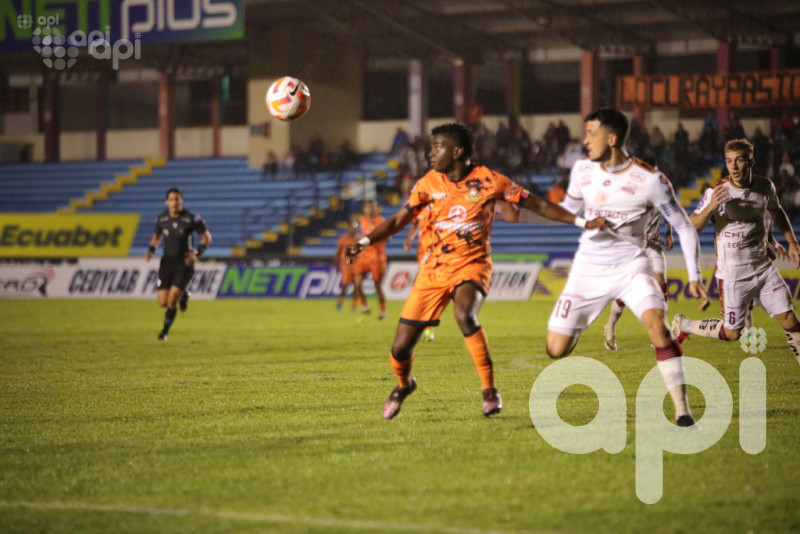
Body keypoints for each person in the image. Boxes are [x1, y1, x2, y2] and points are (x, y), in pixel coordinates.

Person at [346, 122, 603, 420]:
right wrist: (364, 241)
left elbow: (540, 206)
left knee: (464, 313)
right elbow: (398, 220)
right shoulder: (428, 183)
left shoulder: (491, 181)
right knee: (401, 348)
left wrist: (582, 222)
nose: (430, 153)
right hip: (432, 272)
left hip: (472, 264)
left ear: (456, 151)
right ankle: (404, 385)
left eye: (437, 147)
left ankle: (489, 390)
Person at [547, 108, 708, 428]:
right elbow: (567, 209)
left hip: (633, 266)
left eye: (591, 134)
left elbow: (684, 227)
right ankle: (580, 323)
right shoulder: (581, 170)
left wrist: (695, 276)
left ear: (612, 138)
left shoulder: (650, 180)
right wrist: (525, 208)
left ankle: (682, 410)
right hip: (588, 268)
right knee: (555, 349)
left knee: (658, 326)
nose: (584, 140)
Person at [671, 139, 800, 363]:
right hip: (733, 276)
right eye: (729, 161)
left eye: (739, 160)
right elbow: (691, 225)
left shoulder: (764, 187)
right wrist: (710, 208)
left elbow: (776, 211)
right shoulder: (717, 192)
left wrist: (791, 241)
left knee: (791, 321)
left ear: (750, 161)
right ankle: (685, 325)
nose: (734, 166)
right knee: (732, 333)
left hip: (763, 269)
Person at [145, 188, 212, 341]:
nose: (174, 202)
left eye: (177, 199)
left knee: (172, 300)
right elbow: (156, 237)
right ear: (167, 202)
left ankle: (164, 332)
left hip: (184, 263)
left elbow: (206, 237)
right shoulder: (162, 219)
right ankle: (184, 296)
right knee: (162, 302)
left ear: (182, 201)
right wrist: (150, 251)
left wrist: (197, 253)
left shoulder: (193, 219)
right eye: (171, 199)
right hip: (167, 262)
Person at [603, 211, 673, 351]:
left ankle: (660, 331)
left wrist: (668, 232)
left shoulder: (662, 191)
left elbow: (667, 211)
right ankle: (610, 325)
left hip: (654, 244)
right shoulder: (634, 193)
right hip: (634, 246)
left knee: (661, 286)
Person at [354, 200, 388, 320]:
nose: (370, 210)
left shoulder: (381, 221)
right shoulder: (361, 221)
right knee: (357, 283)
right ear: (364, 209)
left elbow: (388, 238)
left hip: (377, 257)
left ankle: (383, 312)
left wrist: (375, 237)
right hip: (364, 257)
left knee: (377, 286)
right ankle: (365, 307)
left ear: (376, 208)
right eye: (368, 208)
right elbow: (358, 238)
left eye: (373, 208)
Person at [335, 220, 360, 312]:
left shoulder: (359, 239)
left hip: (356, 266)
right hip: (346, 266)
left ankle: (353, 306)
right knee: (345, 286)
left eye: (354, 227)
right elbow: (338, 253)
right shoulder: (343, 239)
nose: (353, 229)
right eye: (351, 227)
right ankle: (340, 303)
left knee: (357, 287)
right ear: (348, 228)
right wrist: (337, 265)